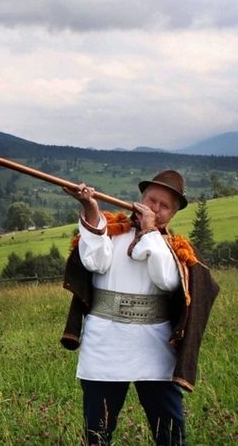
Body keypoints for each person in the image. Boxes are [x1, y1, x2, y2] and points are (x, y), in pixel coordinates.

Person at [59, 170, 219, 446]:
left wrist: (149, 232)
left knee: (170, 434)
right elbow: (94, 261)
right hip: (105, 346)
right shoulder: (111, 233)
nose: (155, 208)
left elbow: (166, 279)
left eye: (164, 205)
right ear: (141, 199)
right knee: (97, 433)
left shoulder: (175, 249)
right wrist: (91, 208)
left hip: (154, 349)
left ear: (173, 213)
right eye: (151, 200)